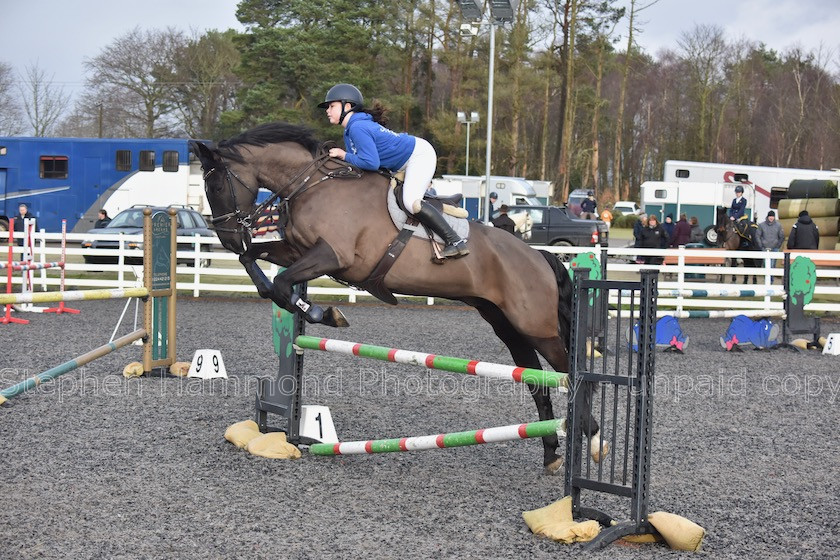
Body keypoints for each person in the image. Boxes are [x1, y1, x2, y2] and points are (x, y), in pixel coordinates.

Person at [320, 83, 468, 259]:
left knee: (411, 202)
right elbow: (361, 166)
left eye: (332, 106)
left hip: (418, 155)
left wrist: (344, 156)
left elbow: (371, 163)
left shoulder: (357, 128)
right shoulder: (351, 129)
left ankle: (456, 241)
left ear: (348, 106)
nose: (327, 110)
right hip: (405, 160)